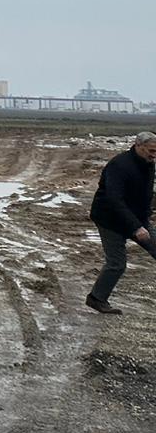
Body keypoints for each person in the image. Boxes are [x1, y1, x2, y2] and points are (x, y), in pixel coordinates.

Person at [86, 130, 156, 314]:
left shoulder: (148, 163)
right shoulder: (119, 165)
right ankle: (96, 298)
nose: (154, 155)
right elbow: (114, 200)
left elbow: (144, 193)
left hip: (136, 219)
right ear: (138, 146)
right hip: (110, 219)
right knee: (117, 263)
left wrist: (147, 215)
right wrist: (136, 227)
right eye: (151, 150)